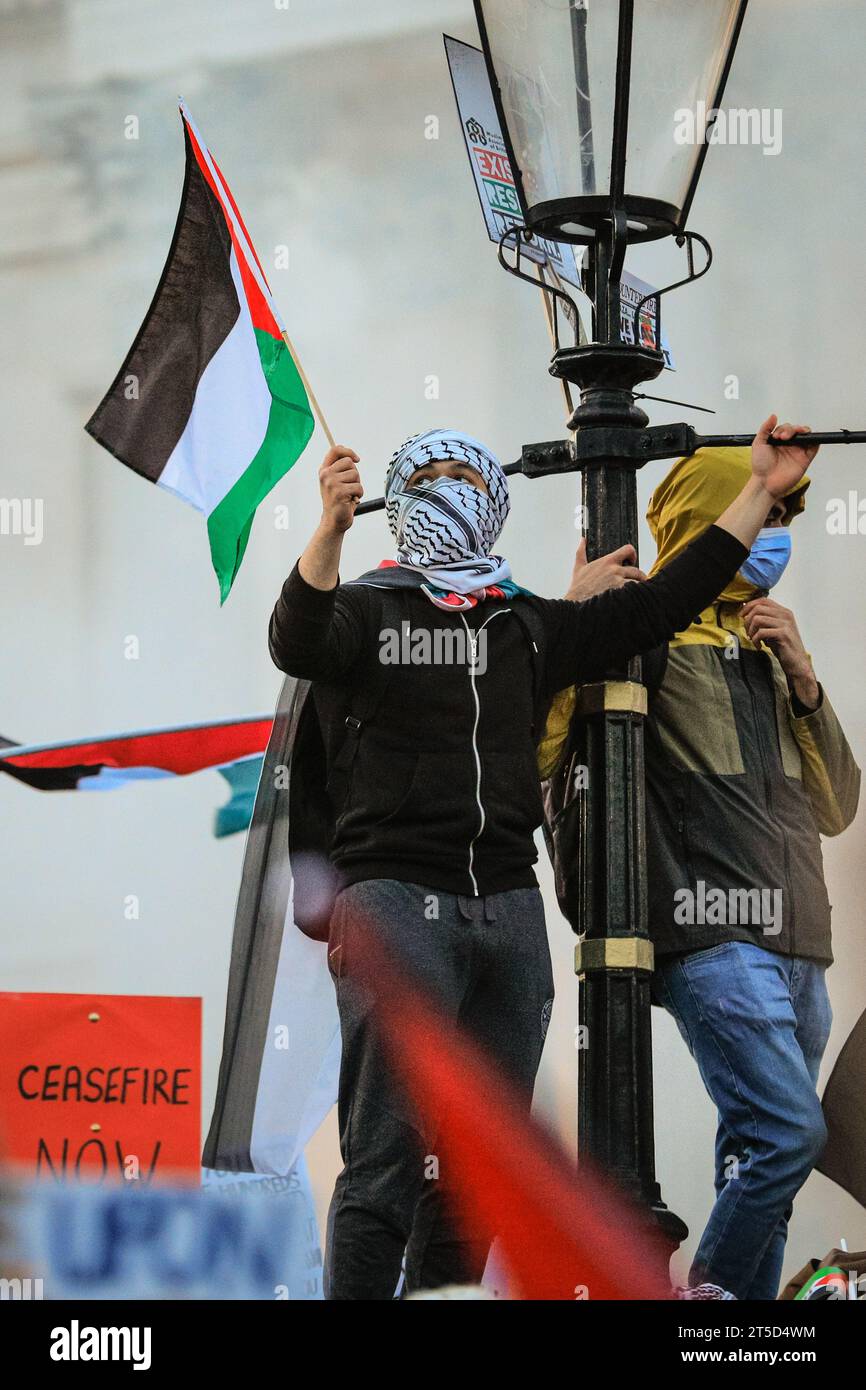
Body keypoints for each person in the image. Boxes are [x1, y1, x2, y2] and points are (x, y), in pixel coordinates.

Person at [269, 417, 816, 1301]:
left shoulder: (522, 622)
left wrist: (762, 488)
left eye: (466, 474)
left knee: (485, 1164)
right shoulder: (366, 608)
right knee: (386, 1156)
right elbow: (295, 638)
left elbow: (662, 603)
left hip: (509, 912)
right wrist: (328, 530)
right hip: (398, 906)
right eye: (430, 472)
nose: (448, 487)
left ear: (493, 502)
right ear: (396, 500)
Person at [541, 438, 859, 1301]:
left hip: (802, 944)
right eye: (765, 513)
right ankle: (708, 1306)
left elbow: (838, 807)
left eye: (787, 518)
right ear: (710, 521)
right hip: (712, 936)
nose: (778, 534)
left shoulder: (766, 648)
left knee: (759, 1159)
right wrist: (579, 622)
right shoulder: (646, 637)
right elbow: (541, 748)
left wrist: (804, 680)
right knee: (790, 1135)